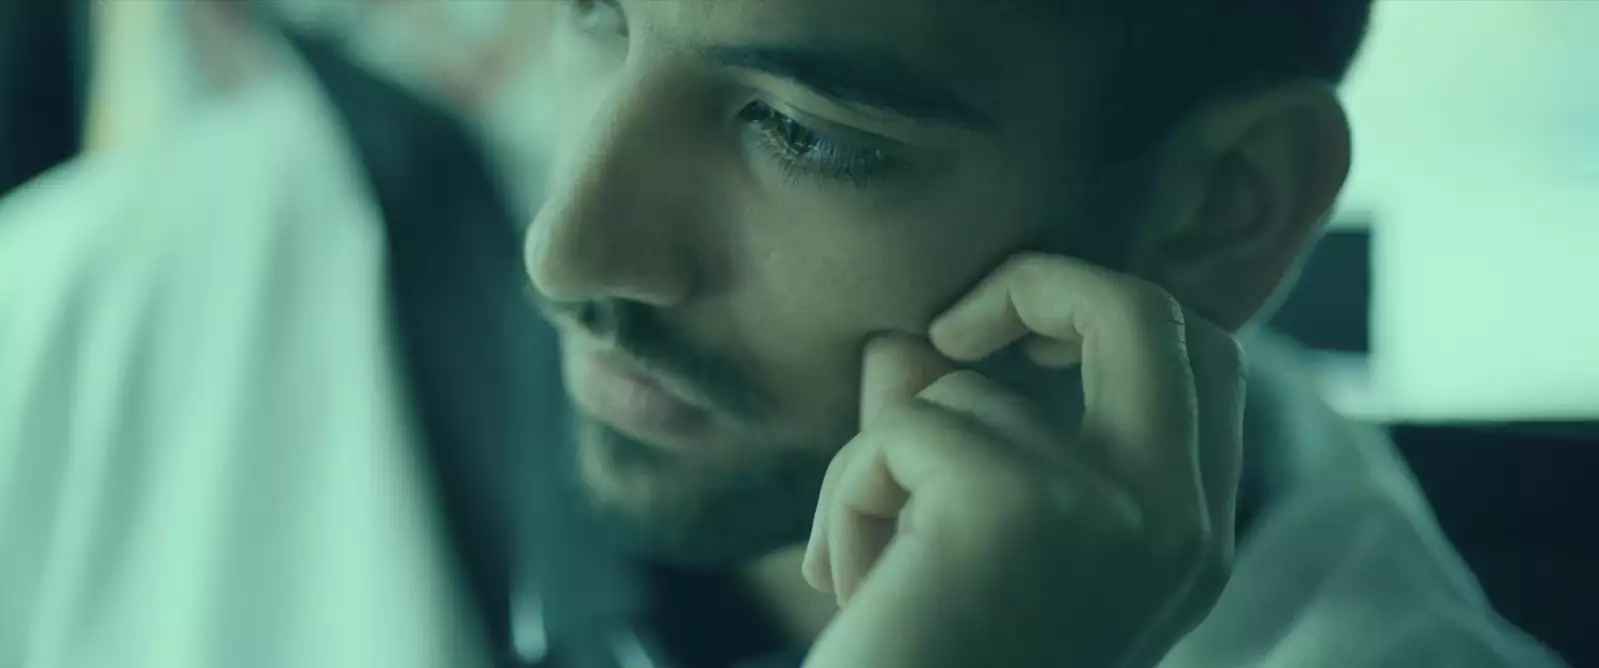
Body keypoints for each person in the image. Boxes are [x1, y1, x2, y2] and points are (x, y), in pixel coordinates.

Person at [0, 1, 1568, 667]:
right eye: (599, 10)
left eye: (801, 133)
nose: (576, 246)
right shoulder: (113, 303)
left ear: (1219, 209)